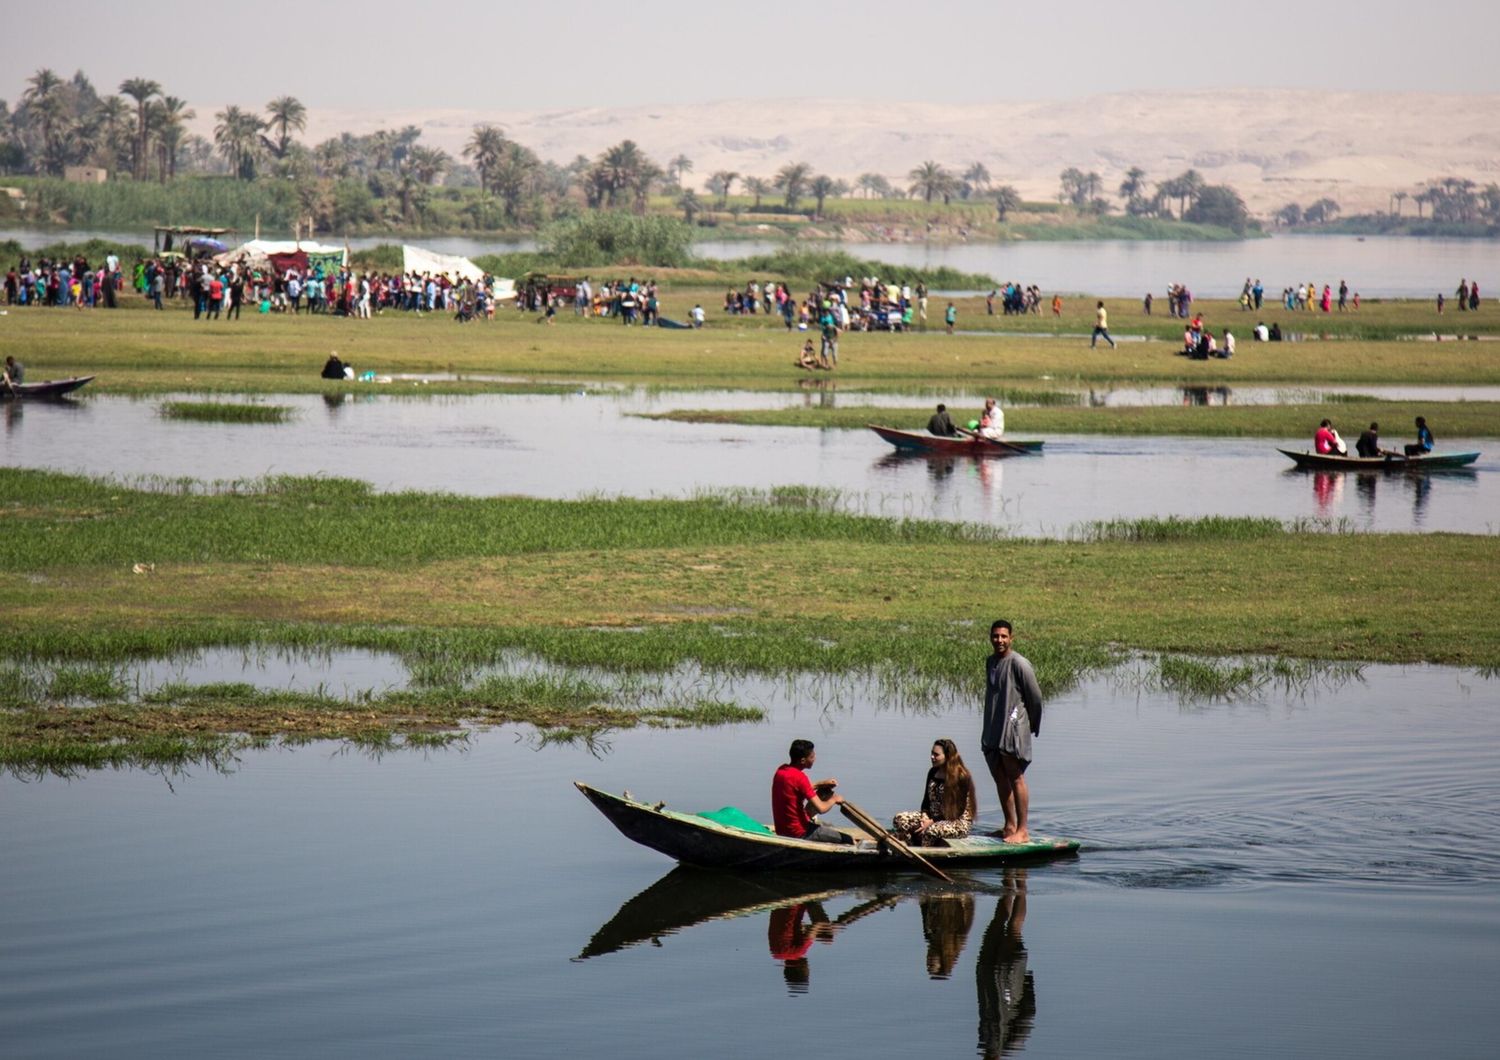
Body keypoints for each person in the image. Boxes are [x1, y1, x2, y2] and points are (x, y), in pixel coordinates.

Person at [981, 620, 1043, 844]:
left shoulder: (1019, 663)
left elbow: (1034, 697)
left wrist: (1033, 724)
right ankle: (1009, 825)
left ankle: (1023, 830)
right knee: (999, 775)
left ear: (1011, 638)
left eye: (1004, 636)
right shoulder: (991, 662)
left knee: (1015, 775)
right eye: (996, 636)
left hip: (1014, 725)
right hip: (993, 726)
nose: (999, 640)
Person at [892, 739, 979, 846]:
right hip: (932, 817)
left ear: (947, 756)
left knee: (931, 830)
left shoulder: (961, 776)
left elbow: (958, 811)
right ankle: (910, 847)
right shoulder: (933, 772)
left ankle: (926, 854)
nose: (932, 757)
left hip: (956, 821)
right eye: (932, 753)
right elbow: (926, 802)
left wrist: (932, 822)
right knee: (900, 819)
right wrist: (924, 817)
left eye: (936, 755)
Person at [771, 739, 853, 844]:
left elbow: (799, 787)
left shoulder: (781, 770)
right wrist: (834, 799)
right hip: (800, 832)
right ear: (803, 761)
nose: (814, 758)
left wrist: (821, 784)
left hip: (782, 830)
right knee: (848, 839)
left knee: (827, 821)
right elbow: (822, 808)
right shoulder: (800, 778)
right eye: (812, 757)